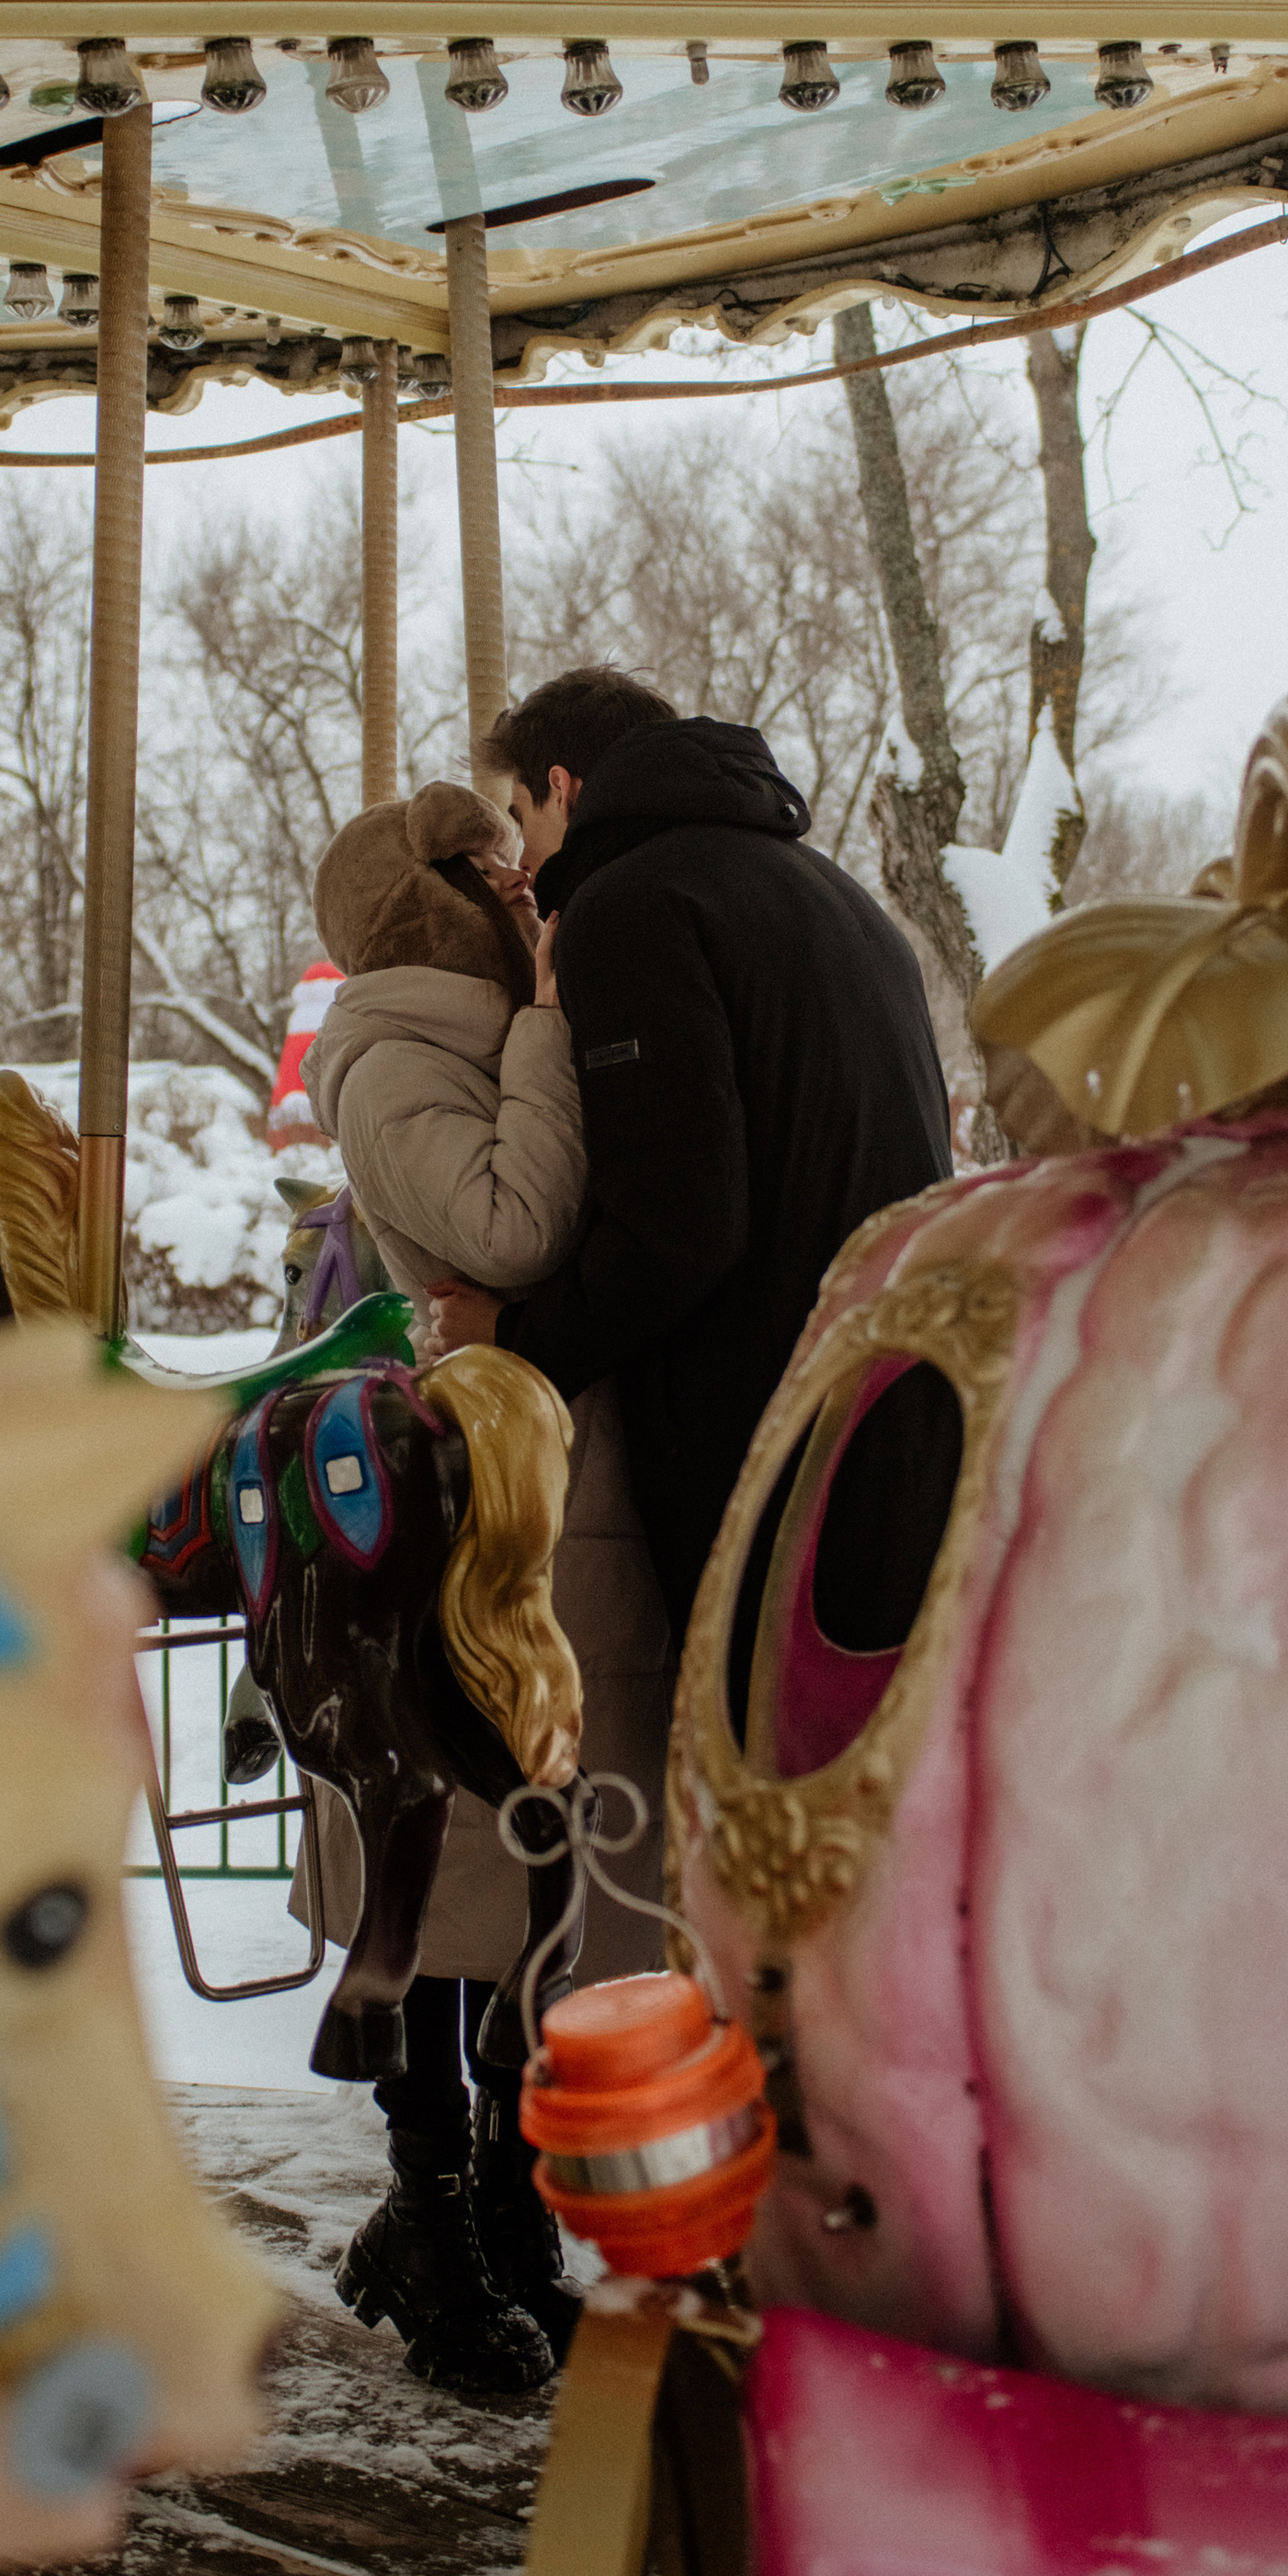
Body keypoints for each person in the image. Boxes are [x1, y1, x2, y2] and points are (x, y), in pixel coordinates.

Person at [299, 779, 673, 2400]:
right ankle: (434, 2212)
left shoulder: (469, 1041)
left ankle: (494, 2204)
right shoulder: (397, 1061)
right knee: (445, 1880)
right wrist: (545, 1020)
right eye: (491, 868)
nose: (523, 886)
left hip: (515, 1497)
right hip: (437, 1530)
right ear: (432, 900)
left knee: (519, 1870)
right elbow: (513, 1221)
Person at [432, 668, 956, 1645]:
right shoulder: (833, 894)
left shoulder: (632, 908)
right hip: (904, 1416)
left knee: (762, 1775)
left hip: (776, 1456)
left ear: (563, 787)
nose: (526, 859)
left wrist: (516, 1335)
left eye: (521, 816)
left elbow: (678, 1223)